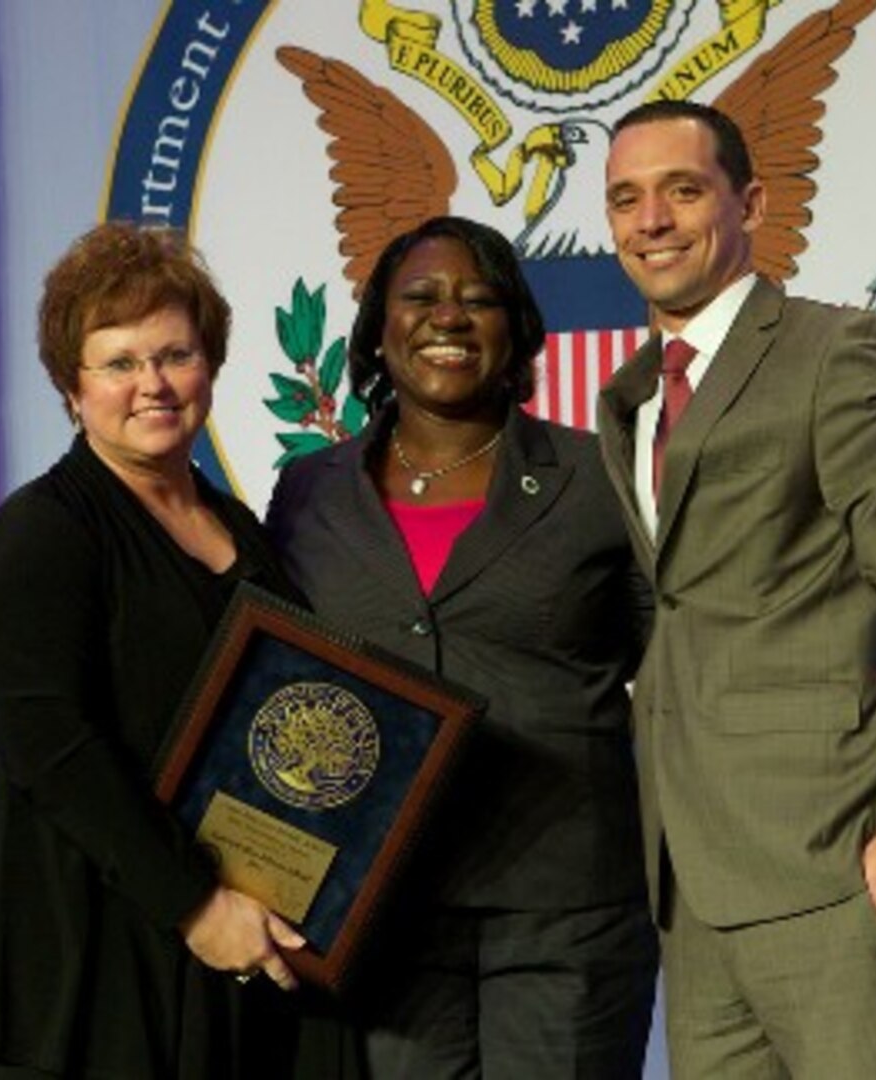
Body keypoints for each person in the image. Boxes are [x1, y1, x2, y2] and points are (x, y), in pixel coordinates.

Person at [596, 99, 876, 1078]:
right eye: (625, 199)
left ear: (751, 204)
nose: (650, 220)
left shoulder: (835, 353)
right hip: (691, 885)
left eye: (681, 191)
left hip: (834, 868)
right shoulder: (628, 399)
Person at [0, 221, 359, 1078]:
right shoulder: (40, 536)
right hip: (82, 973)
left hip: (224, 971)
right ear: (71, 387)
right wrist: (198, 908)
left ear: (209, 365)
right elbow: (54, 755)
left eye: (174, 355)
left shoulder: (239, 528)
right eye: (120, 363)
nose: (153, 385)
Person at [265, 215, 657, 1079]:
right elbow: (279, 688)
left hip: (567, 908)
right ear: (378, 328)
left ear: (515, 331)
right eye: (421, 297)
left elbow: (681, 653)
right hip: (384, 911)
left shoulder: (600, 476)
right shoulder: (307, 493)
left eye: (479, 300)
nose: (449, 316)